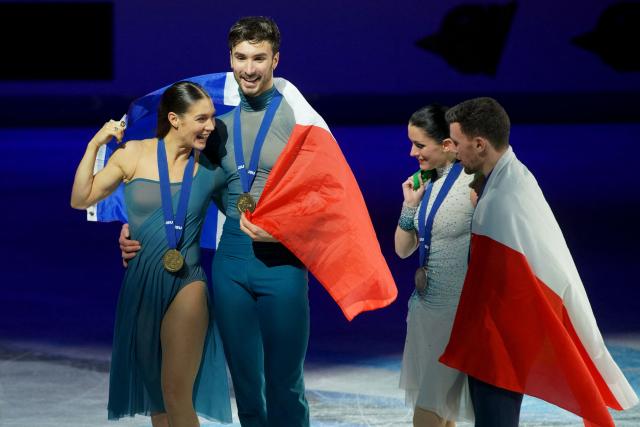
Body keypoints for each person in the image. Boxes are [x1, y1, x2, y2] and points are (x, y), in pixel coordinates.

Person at [119, 16, 397, 427]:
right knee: (247, 388)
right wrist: (140, 228)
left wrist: (286, 229)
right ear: (230, 58)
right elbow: (185, 193)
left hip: (282, 267)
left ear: (276, 60)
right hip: (230, 268)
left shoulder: (299, 124)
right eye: (241, 57)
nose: (249, 68)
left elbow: (328, 197)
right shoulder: (217, 130)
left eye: (259, 58)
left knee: (285, 386)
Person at [439, 97, 638, 427]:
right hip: (493, 342)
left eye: (457, 144)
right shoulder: (510, 179)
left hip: (497, 347)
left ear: (479, 144)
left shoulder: (503, 201)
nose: (453, 152)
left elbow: (510, 280)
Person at [71, 81, 231, 427]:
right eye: (201, 118)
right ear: (175, 119)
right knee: (156, 397)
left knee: (176, 392)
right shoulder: (132, 155)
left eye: (212, 118)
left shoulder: (211, 169)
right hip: (140, 284)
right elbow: (80, 198)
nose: (210, 126)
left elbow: (245, 208)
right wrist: (95, 143)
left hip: (187, 283)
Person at [394, 105, 474, 427]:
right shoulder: (426, 183)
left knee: (427, 412)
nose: (412, 152)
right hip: (426, 312)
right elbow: (402, 250)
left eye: (420, 145)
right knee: (443, 413)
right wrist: (409, 207)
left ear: (447, 145)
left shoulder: (472, 184)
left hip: (456, 316)